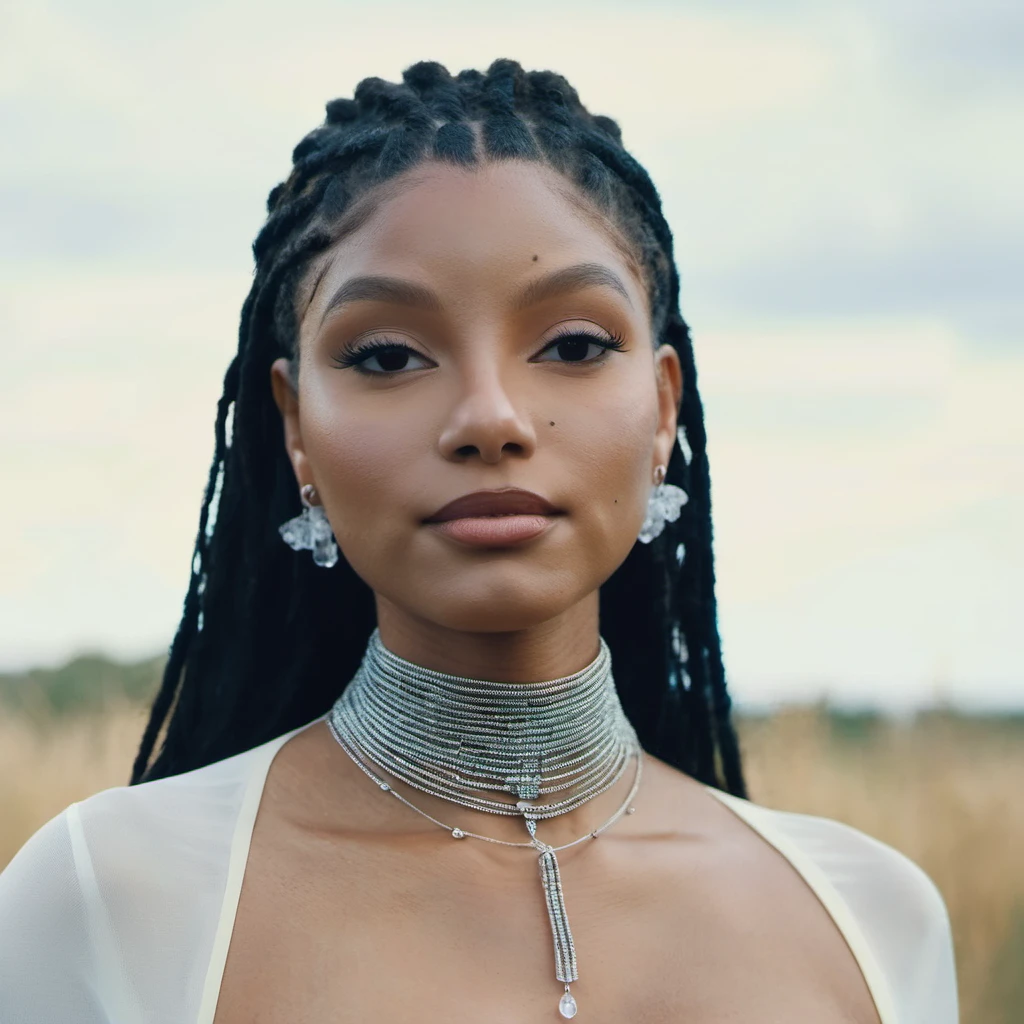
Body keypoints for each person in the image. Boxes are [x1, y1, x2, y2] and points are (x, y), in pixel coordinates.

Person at [0, 59, 957, 1023]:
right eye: (387, 356)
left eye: (575, 346)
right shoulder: (108, 899)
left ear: (664, 408)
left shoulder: (873, 923)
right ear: (296, 427)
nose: (490, 418)